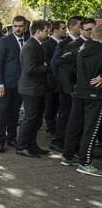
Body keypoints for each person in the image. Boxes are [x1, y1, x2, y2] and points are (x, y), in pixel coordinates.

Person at [61, 24, 102, 176]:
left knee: (74, 125)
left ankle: (67, 156)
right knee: (90, 130)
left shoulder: (81, 48)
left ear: (92, 35)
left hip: (79, 92)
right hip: (95, 95)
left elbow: (62, 60)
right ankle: (85, 162)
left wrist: (77, 78)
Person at [16, 20, 51, 157]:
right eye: (46, 31)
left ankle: (31, 144)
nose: (48, 33)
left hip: (36, 88)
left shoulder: (36, 44)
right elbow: (30, 69)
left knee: (36, 119)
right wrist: (46, 67)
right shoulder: (30, 46)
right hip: (31, 89)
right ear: (38, 31)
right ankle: (22, 145)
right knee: (30, 118)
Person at [0, 16, 26, 153]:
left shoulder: (27, 41)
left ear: (25, 27)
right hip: (4, 84)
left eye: (21, 26)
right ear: (12, 27)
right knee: (1, 113)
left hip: (20, 84)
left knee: (14, 112)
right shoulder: (4, 41)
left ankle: (11, 137)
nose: (18, 29)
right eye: (15, 26)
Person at [50, 16, 83, 151]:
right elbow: (55, 63)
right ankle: (58, 141)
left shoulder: (82, 42)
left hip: (77, 85)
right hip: (66, 87)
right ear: (71, 27)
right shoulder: (64, 43)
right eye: (79, 26)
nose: (81, 29)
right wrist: (63, 81)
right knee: (65, 114)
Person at [43, 20, 66, 147]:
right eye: (62, 28)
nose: (65, 30)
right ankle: (51, 128)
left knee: (59, 105)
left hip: (61, 80)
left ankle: (56, 128)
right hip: (51, 80)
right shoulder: (47, 44)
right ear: (56, 30)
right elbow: (46, 60)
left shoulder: (65, 43)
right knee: (50, 105)